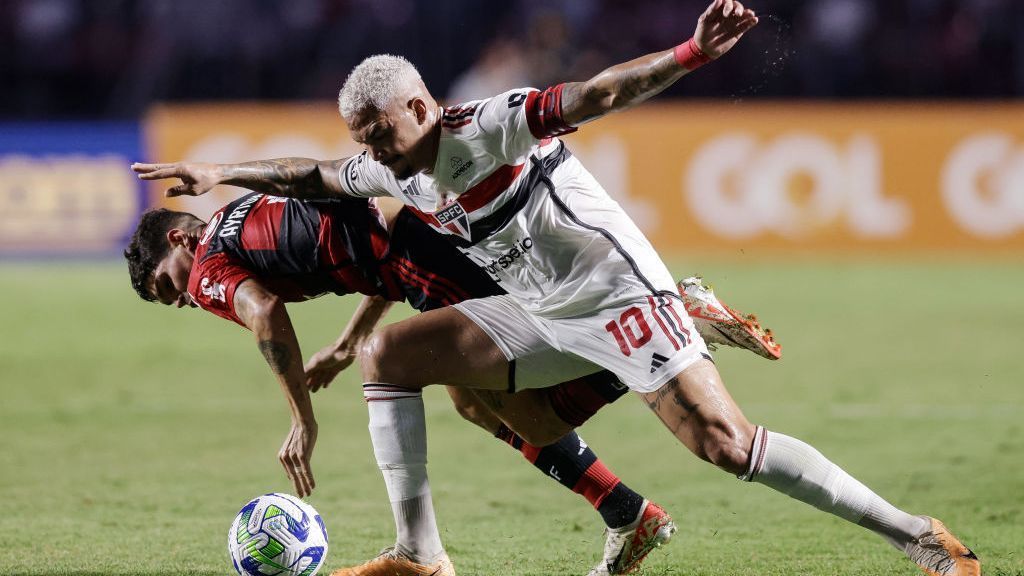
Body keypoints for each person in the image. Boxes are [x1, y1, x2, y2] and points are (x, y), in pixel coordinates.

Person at [133, 1, 980, 575]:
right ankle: (420, 555)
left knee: (726, 445)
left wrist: (690, 53)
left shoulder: (490, 124)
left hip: (614, 294)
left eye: (383, 134)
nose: (377, 154)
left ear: (423, 109)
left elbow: (601, 91)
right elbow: (312, 173)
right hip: (538, 310)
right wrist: (222, 171)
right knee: (392, 357)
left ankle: (918, 539)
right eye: (366, 140)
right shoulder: (395, 167)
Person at [122, 192, 780, 575]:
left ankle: (662, 323)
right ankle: (625, 510)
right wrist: (350, 344)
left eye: (165, 285)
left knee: (523, 407)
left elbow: (266, 311)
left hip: (422, 251)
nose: (180, 298)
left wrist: (302, 417)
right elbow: (366, 239)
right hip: (424, 243)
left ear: (181, 239)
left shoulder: (208, 262)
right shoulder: (249, 215)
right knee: (476, 398)